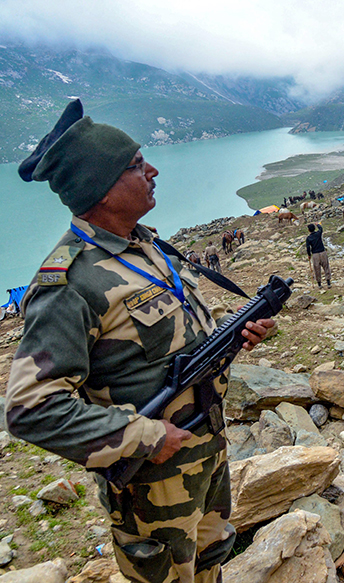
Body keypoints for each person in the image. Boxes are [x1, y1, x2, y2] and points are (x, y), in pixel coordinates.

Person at [6, 100, 274, 583]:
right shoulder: (69, 283)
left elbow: (170, 345)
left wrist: (234, 341)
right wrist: (146, 437)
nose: (151, 170)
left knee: (212, 560)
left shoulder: (145, 245)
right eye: (134, 165)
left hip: (205, 450)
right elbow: (30, 408)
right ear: (101, 190)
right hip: (152, 481)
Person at [306, 222, 332, 288]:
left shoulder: (308, 238)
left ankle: (319, 284)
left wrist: (309, 255)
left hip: (315, 254)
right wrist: (318, 224)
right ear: (314, 228)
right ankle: (328, 283)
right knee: (326, 267)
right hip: (322, 252)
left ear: (309, 230)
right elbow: (321, 229)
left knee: (317, 269)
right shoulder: (318, 234)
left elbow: (308, 247)